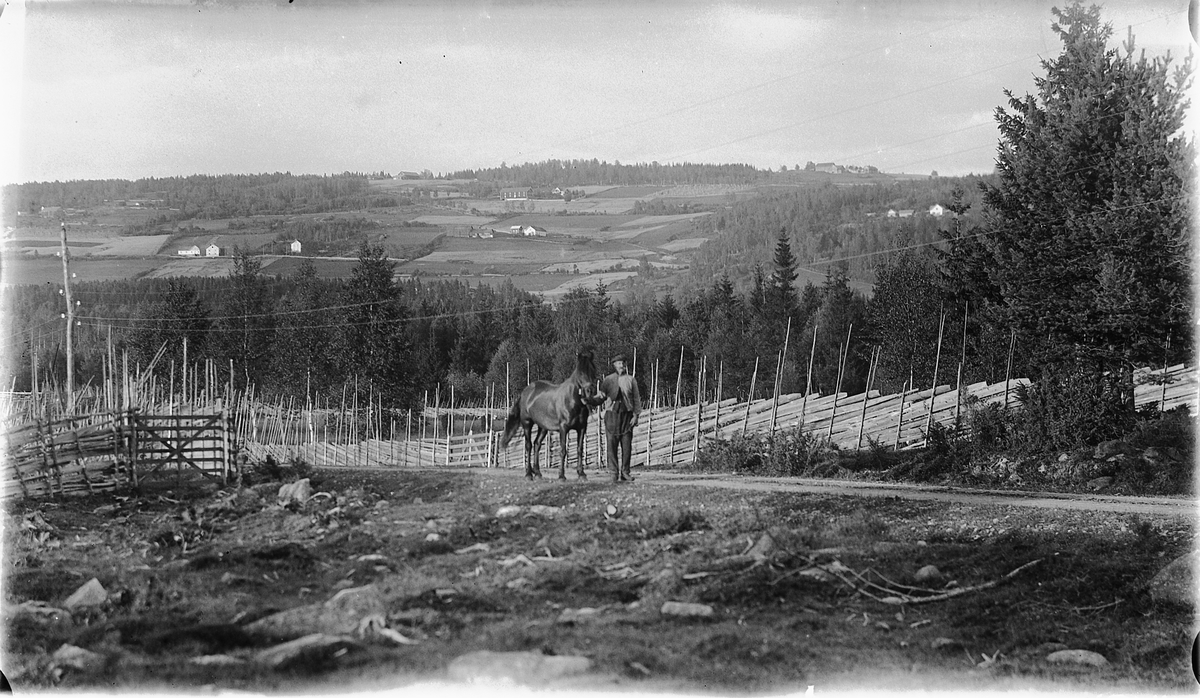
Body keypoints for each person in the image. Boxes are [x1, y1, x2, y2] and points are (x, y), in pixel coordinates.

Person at [598, 353, 642, 483]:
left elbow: (636, 399)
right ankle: (613, 473)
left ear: (625, 365)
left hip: (626, 416)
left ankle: (625, 472)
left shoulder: (631, 380)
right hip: (612, 416)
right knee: (611, 446)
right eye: (618, 363)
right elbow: (601, 396)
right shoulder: (608, 380)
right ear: (614, 365)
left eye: (623, 363)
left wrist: (636, 415)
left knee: (626, 446)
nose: (621, 365)